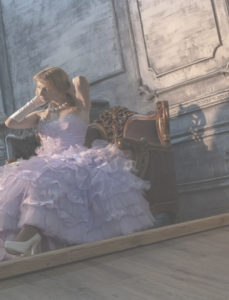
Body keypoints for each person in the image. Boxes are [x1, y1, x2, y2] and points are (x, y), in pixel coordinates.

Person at [0, 66, 155, 260]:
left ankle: (28, 236)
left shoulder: (80, 107)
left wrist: (64, 83)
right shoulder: (40, 115)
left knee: (46, 177)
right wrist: (35, 102)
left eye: (45, 88)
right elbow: (11, 123)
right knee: (23, 178)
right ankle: (28, 236)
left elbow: (80, 81)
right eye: (38, 88)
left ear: (57, 86)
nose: (41, 93)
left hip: (76, 160)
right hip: (46, 161)